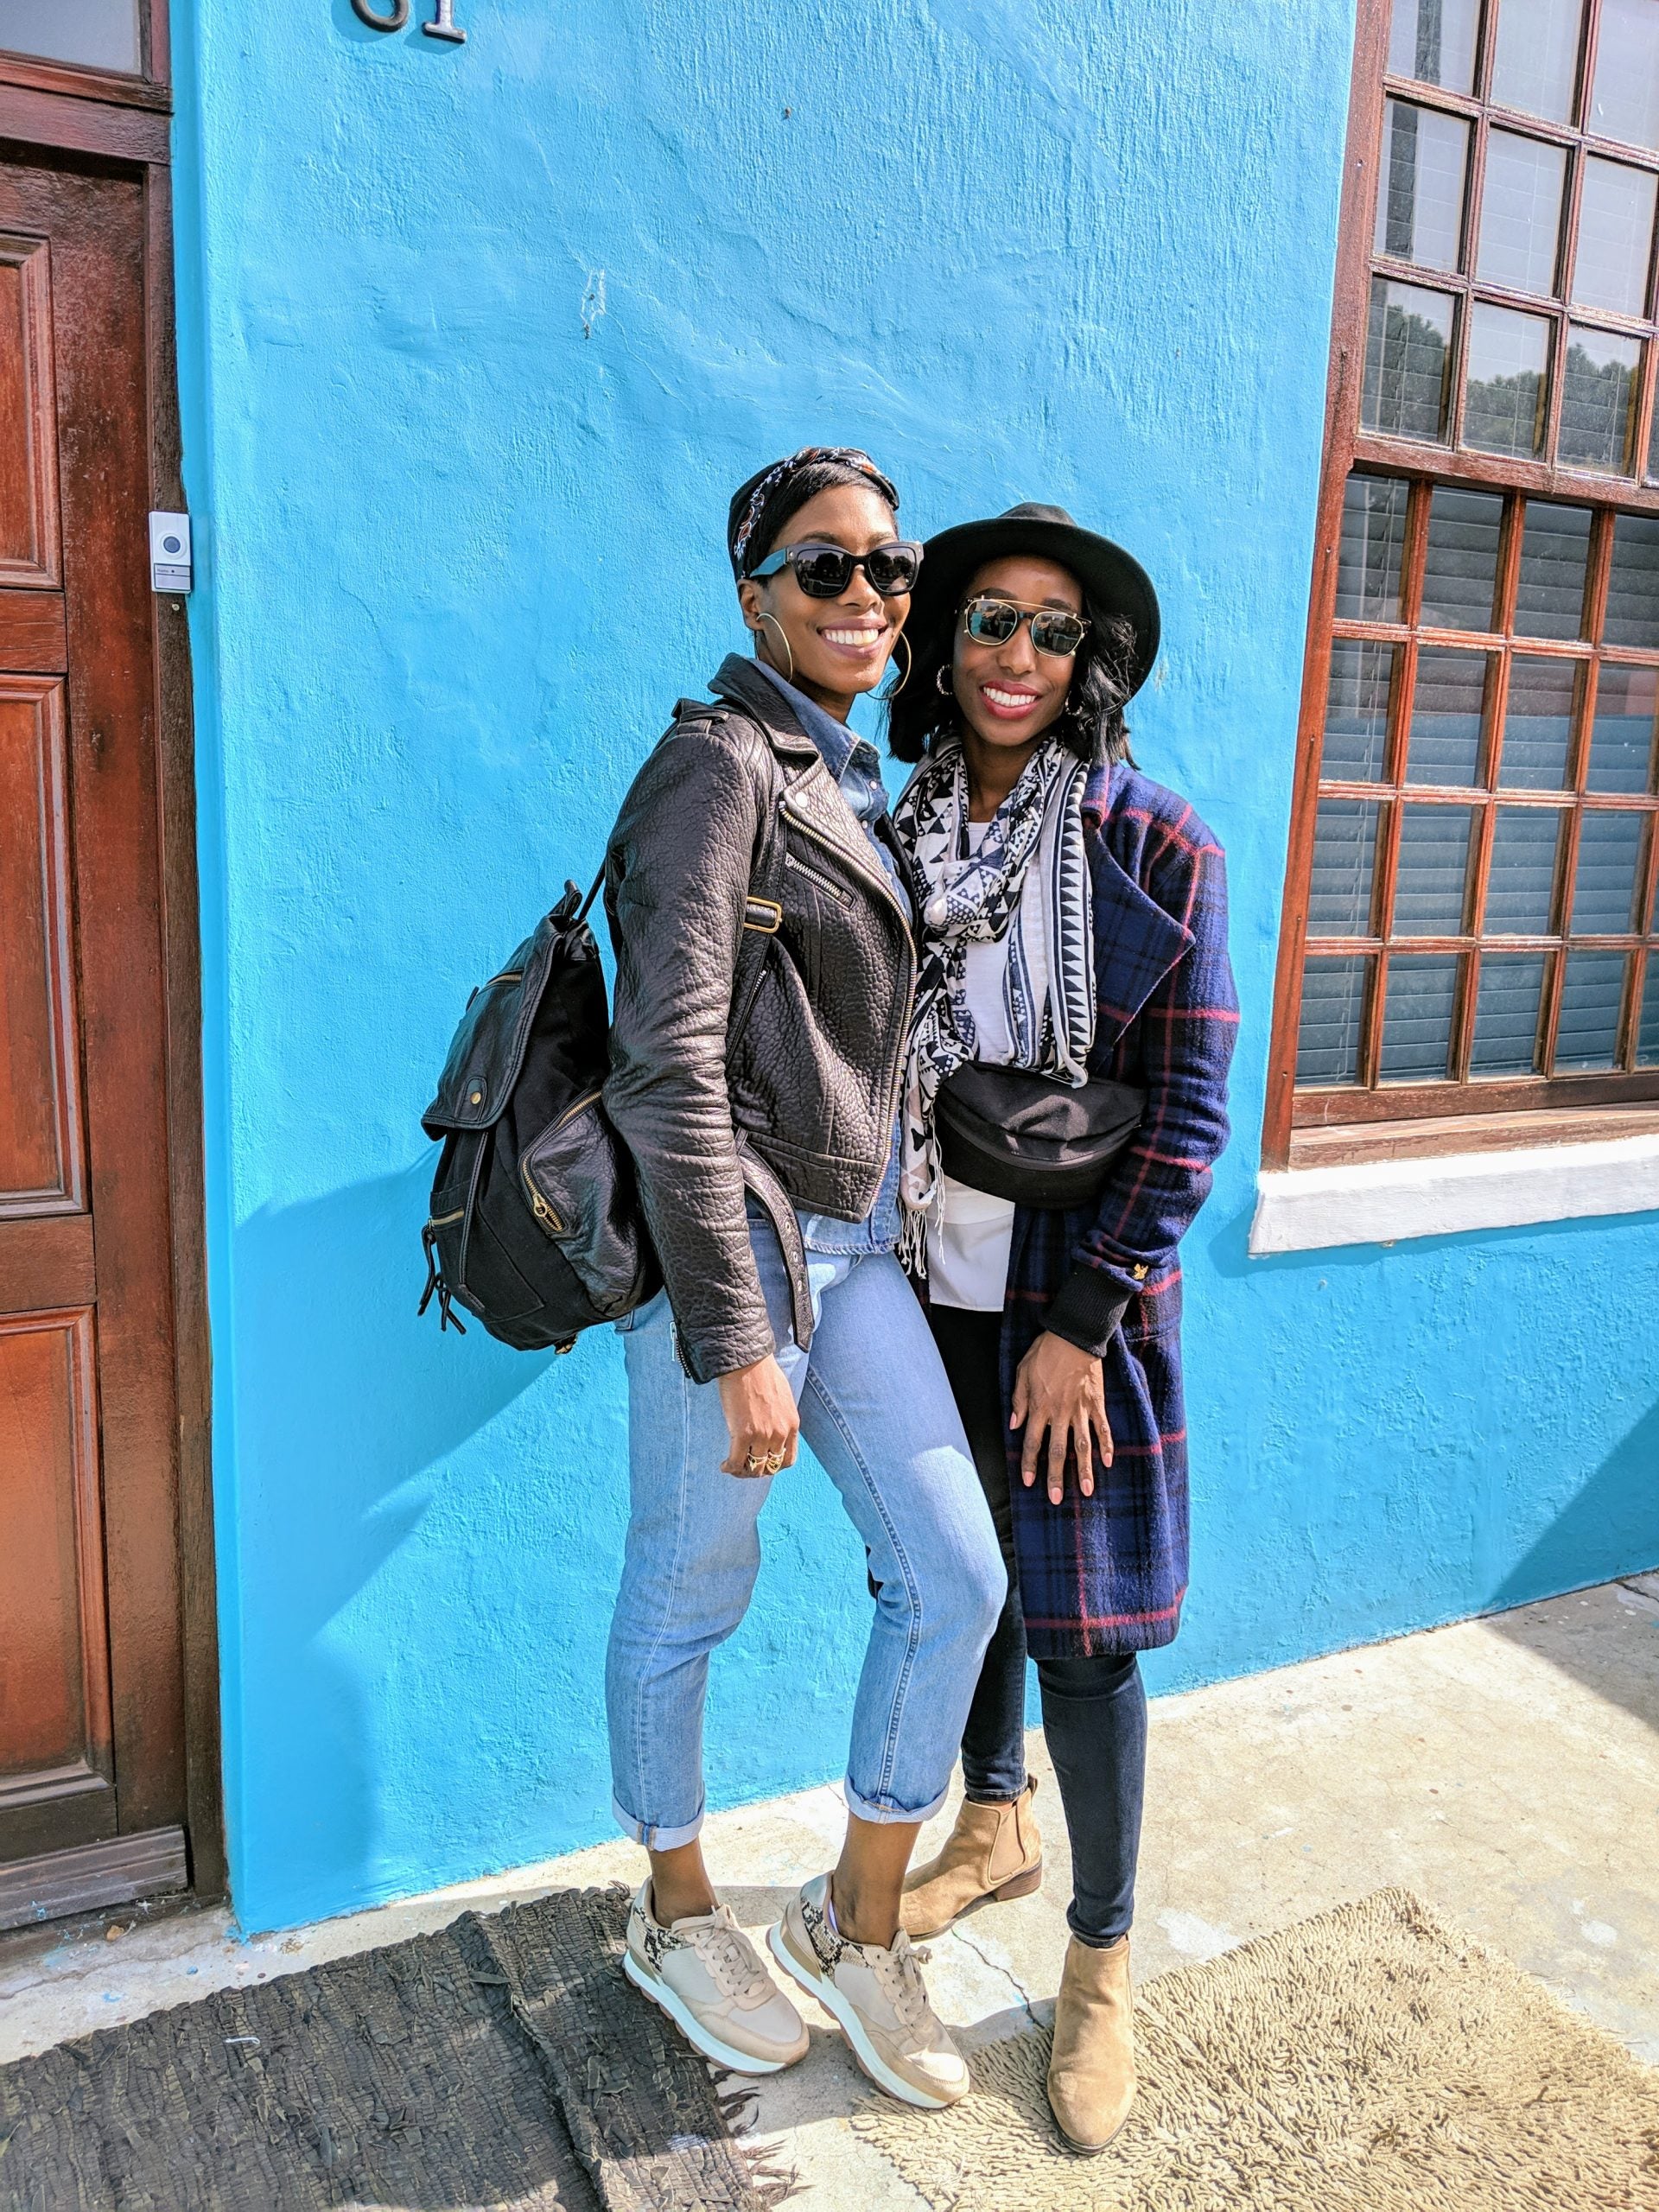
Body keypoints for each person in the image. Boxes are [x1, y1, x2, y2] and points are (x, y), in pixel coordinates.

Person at [601, 448, 1007, 2110]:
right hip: (743, 1263)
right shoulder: (715, 768)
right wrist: (738, 1338)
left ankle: (854, 1926)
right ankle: (676, 1910)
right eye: (824, 567)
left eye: (890, 570)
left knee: (957, 1578)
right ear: (752, 587)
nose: (868, 598)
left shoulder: (842, 774)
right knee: (691, 1587)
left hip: (860, 1247)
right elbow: (665, 1072)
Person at [885, 504, 1237, 2152]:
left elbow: (1189, 1112)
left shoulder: (1155, 840)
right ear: (940, 643)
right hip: (924, 1276)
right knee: (953, 1586)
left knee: (1081, 1635)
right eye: (985, 622)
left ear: (1089, 662)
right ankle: (991, 1824)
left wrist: (1085, 1319)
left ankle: (1099, 1965)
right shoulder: (903, 830)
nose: (1014, 656)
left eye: (1049, 630)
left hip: (1067, 1299)